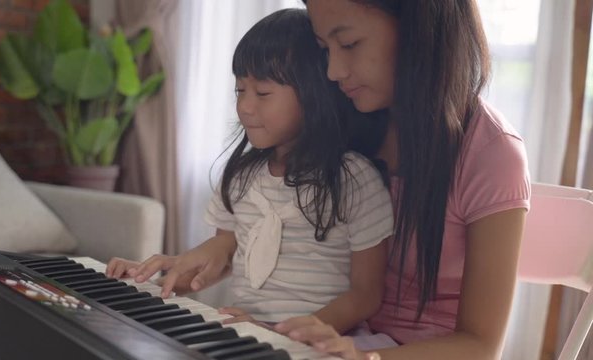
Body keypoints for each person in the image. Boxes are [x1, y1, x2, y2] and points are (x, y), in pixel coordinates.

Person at [116, 0, 532, 358]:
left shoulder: (492, 154)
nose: (333, 70)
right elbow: (292, 236)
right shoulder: (344, 125)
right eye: (323, 49)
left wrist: (363, 355)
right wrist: (202, 261)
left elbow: (480, 347)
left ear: (420, 29)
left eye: (349, 43)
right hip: (325, 342)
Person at [106, 8, 394, 335]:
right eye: (240, 90)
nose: (244, 106)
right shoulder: (241, 177)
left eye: (263, 92)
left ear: (314, 94)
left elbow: (366, 295)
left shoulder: (354, 180)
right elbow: (222, 259)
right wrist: (152, 281)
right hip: (247, 333)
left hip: (318, 341)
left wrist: (288, 333)